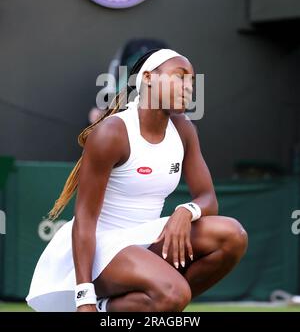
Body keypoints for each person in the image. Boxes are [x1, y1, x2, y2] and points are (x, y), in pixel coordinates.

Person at [26, 48, 248, 312]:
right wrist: (83, 297)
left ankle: (152, 305)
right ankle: (107, 306)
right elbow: (85, 220)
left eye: (191, 81)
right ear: (148, 78)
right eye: (179, 77)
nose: (188, 87)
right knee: (173, 292)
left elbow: (208, 200)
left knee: (233, 235)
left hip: (148, 238)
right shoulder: (112, 133)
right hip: (101, 248)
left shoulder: (185, 129)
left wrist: (185, 212)